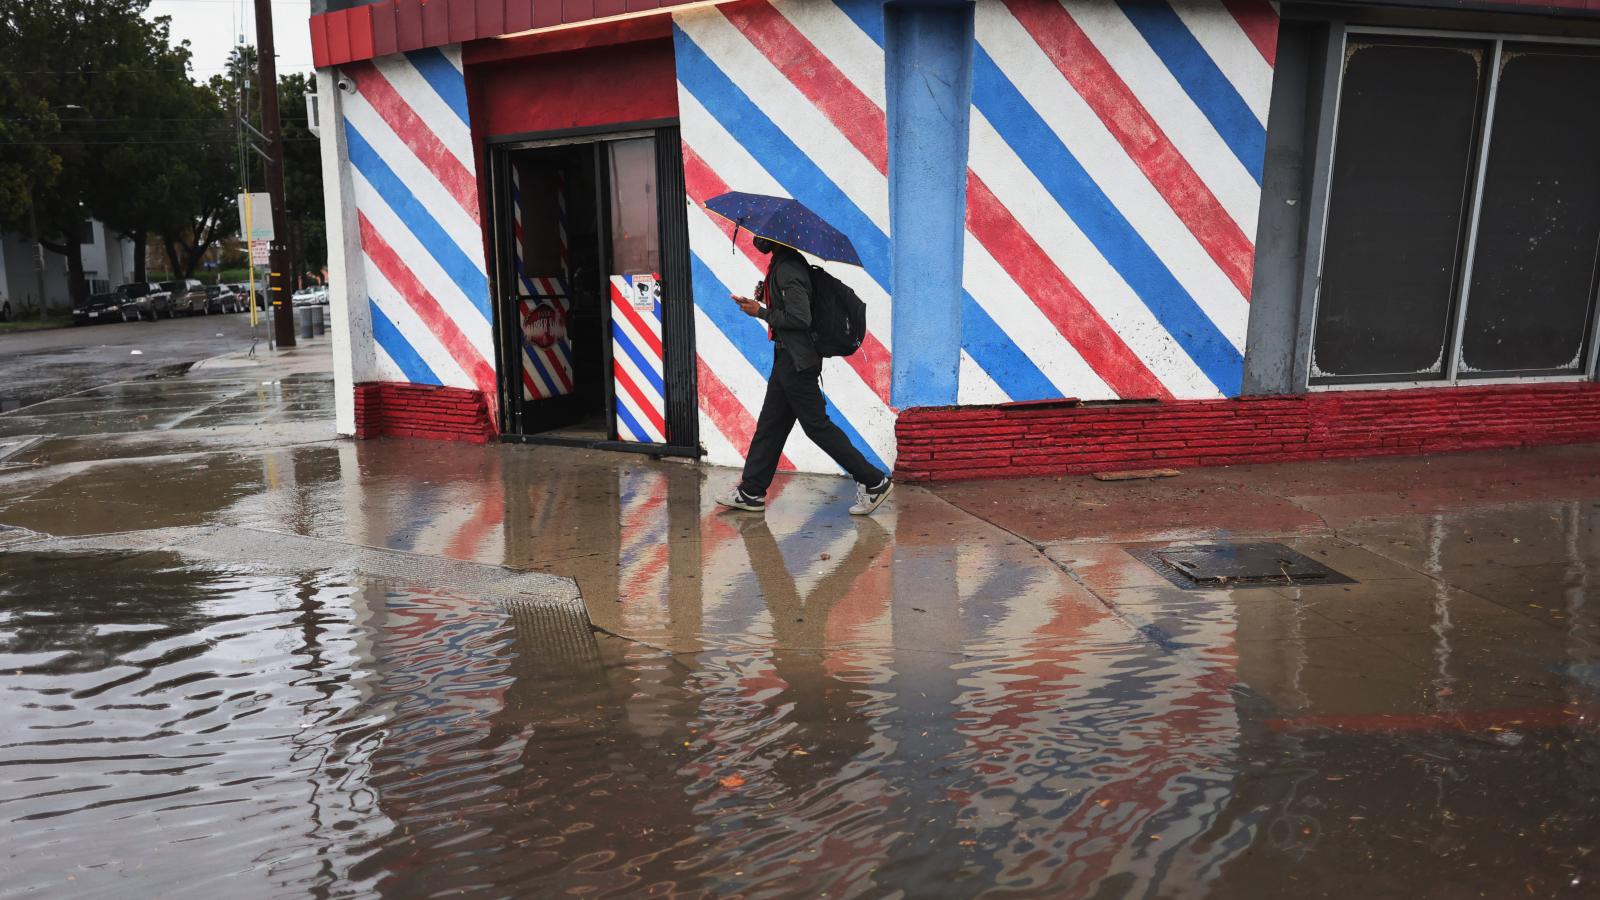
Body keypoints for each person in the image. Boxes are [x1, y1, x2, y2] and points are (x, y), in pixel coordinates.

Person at [716, 236, 893, 516]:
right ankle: (751, 491)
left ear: (775, 238)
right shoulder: (782, 265)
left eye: (760, 236)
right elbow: (791, 309)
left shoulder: (789, 269)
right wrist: (766, 295)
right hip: (787, 359)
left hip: (797, 363)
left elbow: (801, 319)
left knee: (817, 427)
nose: (755, 239)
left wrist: (761, 311)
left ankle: (873, 482)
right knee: (771, 425)